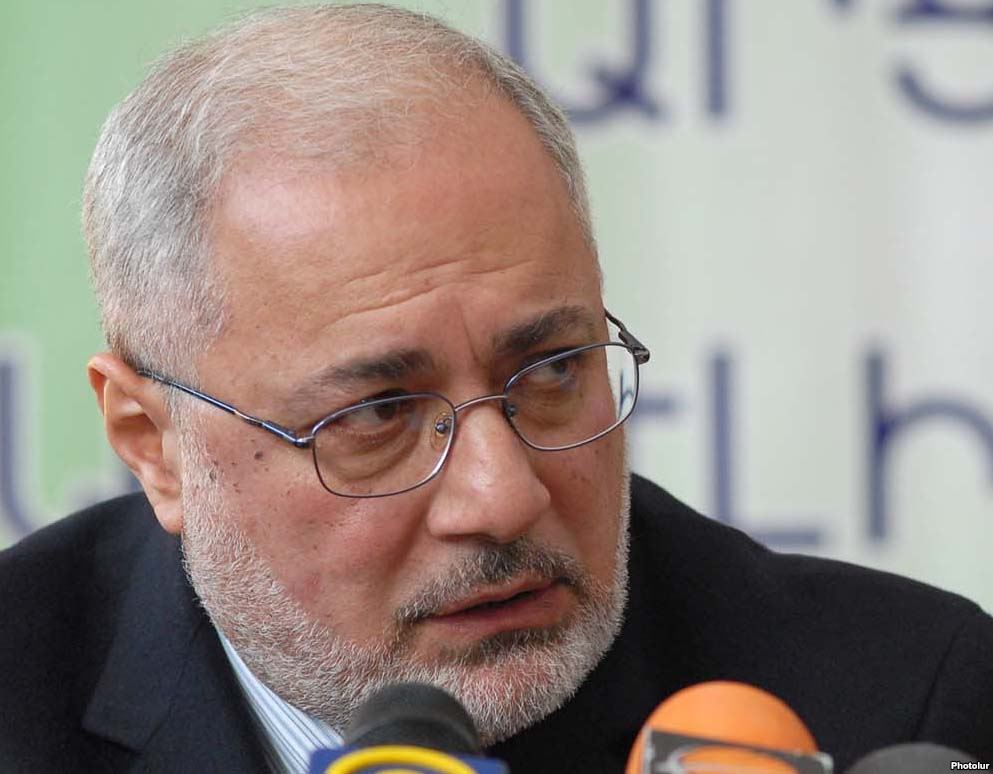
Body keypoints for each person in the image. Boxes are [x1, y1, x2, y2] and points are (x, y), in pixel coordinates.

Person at [1, 5, 991, 772]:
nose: (504, 496)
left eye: (553, 370)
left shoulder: (897, 705)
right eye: (377, 415)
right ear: (154, 444)